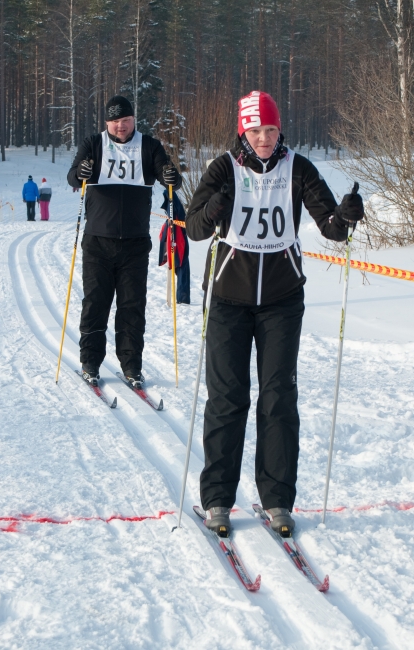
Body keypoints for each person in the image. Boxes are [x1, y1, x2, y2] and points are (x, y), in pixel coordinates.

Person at [186, 90, 364, 537]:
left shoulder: (297, 167)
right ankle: (217, 500)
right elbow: (193, 228)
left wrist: (345, 215)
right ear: (242, 130)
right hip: (228, 298)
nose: (263, 138)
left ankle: (278, 499)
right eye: (254, 130)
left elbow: (331, 227)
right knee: (228, 399)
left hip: (282, 300)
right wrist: (212, 208)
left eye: (270, 129)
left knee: (278, 398)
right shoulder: (224, 168)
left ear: (279, 129)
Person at [67, 95, 182, 387]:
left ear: (134, 119)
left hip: (134, 243)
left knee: (132, 307)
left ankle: (132, 366)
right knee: (95, 304)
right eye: (116, 121)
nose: (121, 125)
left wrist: (171, 176)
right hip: (98, 241)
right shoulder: (93, 144)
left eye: (126, 120)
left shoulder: (149, 146)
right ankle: (90, 362)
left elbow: (171, 178)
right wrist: (79, 173)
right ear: (107, 123)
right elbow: (72, 177)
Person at [158, 190, 190, 304]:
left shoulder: (178, 215)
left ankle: (183, 298)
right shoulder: (172, 218)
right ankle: (182, 298)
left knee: (183, 267)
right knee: (182, 267)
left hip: (180, 240)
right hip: (177, 242)